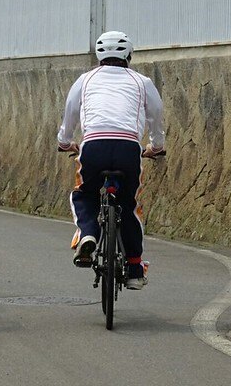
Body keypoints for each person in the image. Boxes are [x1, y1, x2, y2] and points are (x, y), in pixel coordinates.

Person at [57, 30, 165, 290]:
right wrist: (156, 146)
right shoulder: (142, 81)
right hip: (129, 148)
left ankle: (88, 235)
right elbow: (156, 117)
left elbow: (69, 116)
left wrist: (65, 142)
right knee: (128, 205)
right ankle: (136, 270)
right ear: (129, 54)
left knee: (83, 194)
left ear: (98, 55)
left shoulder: (84, 80)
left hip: (93, 146)